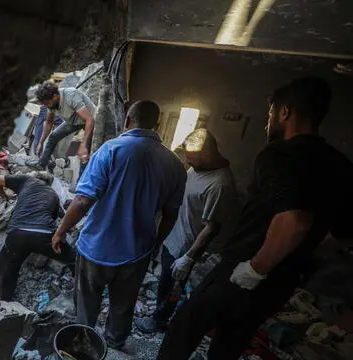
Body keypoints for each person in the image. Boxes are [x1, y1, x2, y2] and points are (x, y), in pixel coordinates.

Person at [157, 77, 353, 360]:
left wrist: (257, 267)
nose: (267, 121)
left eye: (271, 113)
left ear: (285, 112)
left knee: (185, 326)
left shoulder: (280, 154)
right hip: (282, 282)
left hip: (243, 270)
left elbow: (295, 220)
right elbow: (344, 233)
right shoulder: (341, 165)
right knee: (230, 341)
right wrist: (298, 254)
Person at [52, 100, 187, 349]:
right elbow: (171, 214)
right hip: (137, 251)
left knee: (86, 300)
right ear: (156, 124)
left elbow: (82, 200)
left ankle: (83, 340)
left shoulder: (110, 150)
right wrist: (155, 243)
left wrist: (61, 231)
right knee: (123, 305)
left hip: (96, 246)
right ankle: (114, 344)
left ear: (127, 120)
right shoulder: (174, 164)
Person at [135, 128, 237, 333]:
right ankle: (160, 311)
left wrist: (189, 258)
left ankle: (160, 320)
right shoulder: (199, 168)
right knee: (165, 282)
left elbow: (212, 227)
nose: (188, 162)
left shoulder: (219, 184)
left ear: (207, 155)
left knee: (174, 287)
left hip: (185, 247)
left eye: (192, 159)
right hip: (173, 239)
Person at [0, 172, 76, 301]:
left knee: (7, 268)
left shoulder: (26, 180)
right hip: (44, 235)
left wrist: (5, 197)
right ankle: (82, 292)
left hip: (17, 234)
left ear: (35, 177)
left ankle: (0, 303)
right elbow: (62, 220)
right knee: (73, 260)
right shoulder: (53, 195)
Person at [27, 81, 96, 169]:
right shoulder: (51, 104)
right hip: (73, 121)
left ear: (55, 96)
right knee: (53, 136)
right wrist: (41, 142)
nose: (47, 106)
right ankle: (41, 164)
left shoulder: (71, 96)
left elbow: (89, 119)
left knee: (84, 150)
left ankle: (82, 179)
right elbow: (49, 122)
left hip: (90, 121)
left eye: (47, 103)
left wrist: (83, 144)